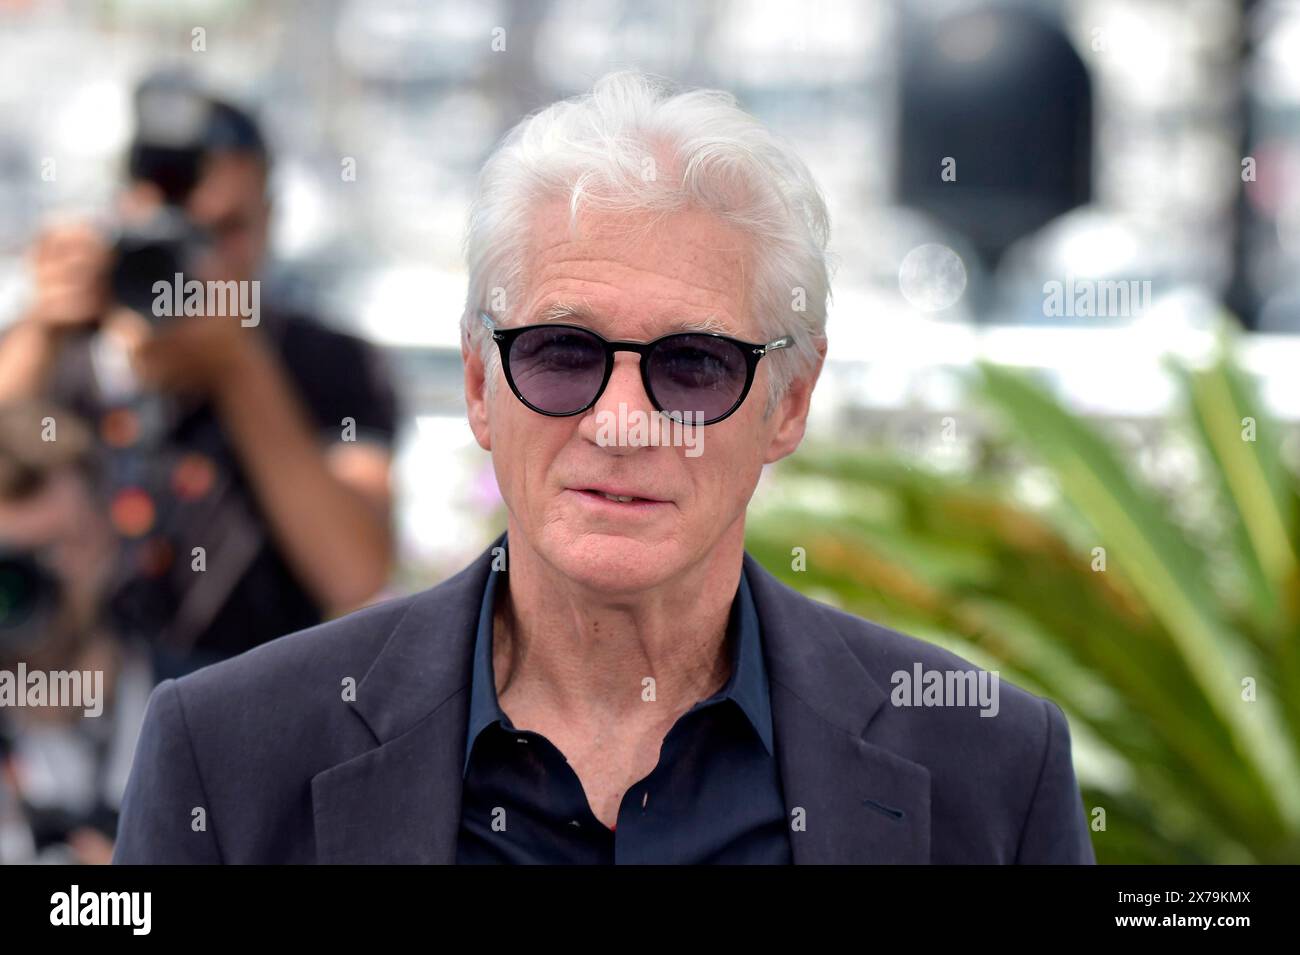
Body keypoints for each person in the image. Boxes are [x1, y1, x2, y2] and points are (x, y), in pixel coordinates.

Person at [112, 70, 1095, 864]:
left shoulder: (991, 771)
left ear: (788, 401)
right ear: (478, 385)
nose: (622, 422)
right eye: (561, 353)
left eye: (694, 365)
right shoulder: (230, 757)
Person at [0, 77, 399, 671]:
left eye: (226, 231)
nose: (194, 261)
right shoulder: (54, 343)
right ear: (123, 217)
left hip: (249, 718)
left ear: (267, 223)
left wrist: (240, 368)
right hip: (60, 717)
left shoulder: (328, 362)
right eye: (175, 228)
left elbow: (354, 574)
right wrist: (41, 331)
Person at [0, 402, 153, 864]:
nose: (25, 589)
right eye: (8, 562)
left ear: (109, 538)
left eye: (56, 550)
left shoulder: (212, 722)